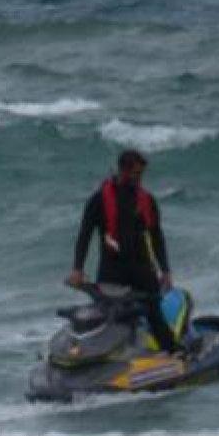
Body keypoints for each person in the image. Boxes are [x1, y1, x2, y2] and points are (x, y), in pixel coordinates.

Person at [67, 149, 178, 352]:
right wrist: (77, 268)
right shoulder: (98, 200)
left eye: (141, 174)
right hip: (112, 268)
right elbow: (84, 235)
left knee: (154, 311)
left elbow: (156, 237)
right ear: (122, 171)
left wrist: (165, 270)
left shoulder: (146, 200)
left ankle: (173, 352)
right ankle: (99, 358)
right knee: (109, 315)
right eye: (136, 174)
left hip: (141, 267)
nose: (139, 179)